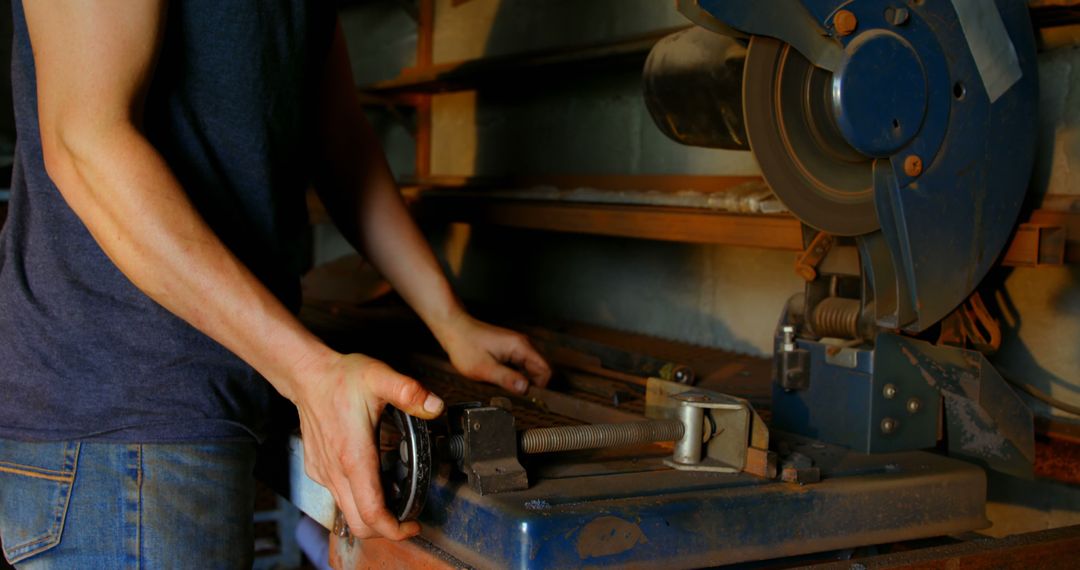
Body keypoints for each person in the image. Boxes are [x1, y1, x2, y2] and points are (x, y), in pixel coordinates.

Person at [0, 1, 551, 567]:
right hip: (121, 422)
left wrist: (447, 319)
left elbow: (339, 140)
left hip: (222, 396)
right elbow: (86, 141)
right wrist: (310, 371)